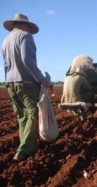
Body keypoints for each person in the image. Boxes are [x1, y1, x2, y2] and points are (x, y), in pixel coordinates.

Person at [2, 14, 51, 161]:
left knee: (22, 116)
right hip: (27, 84)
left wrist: (9, 81)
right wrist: (42, 80)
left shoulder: (5, 40)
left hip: (10, 83)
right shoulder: (25, 37)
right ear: (25, 25)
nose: (30, 29)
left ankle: (25, 145)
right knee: (32, 114)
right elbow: (27, 61)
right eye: (29, 26)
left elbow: (5, 65)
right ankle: (25, 149)